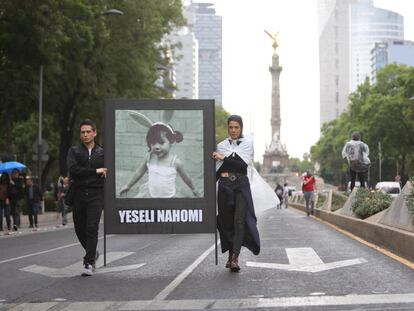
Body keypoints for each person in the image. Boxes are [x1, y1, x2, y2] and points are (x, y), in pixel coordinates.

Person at [212, 115, 260, 272]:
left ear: (241, 128)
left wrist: (223, 158)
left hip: (241, 186)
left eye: (236, 127)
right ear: (228, 128)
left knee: (239, 220)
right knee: (226, 222)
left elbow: (241, 167)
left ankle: (235, 258)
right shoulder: (221, 146)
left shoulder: (247, 144)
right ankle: (231, 252)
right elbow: (218, 171)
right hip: (225, 186)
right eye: (231, 127)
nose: (233, 130)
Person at [119, 111, 198, 198]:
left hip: (169, 197)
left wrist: (193, 189)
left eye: (161, 142)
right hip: (150, 195)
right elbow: (139, 172)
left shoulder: (175, 162)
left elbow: (186, 178)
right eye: (153, 142)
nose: (156, 146)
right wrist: (128, 185)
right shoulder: (149, 157)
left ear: (171, 141)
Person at [67, 119, 107, 276]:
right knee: (79, 229)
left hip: (96, 194)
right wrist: (96, 171)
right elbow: (73, 170)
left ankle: (89, 262)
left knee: (92, 228)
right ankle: (92, 253)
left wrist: (104, 172)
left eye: (88, 131)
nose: (85, 135)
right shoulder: (74, 151)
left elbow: (109, 170)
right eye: (83, 132)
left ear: (94, 133)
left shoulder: (103, 152)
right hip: (78, 194)